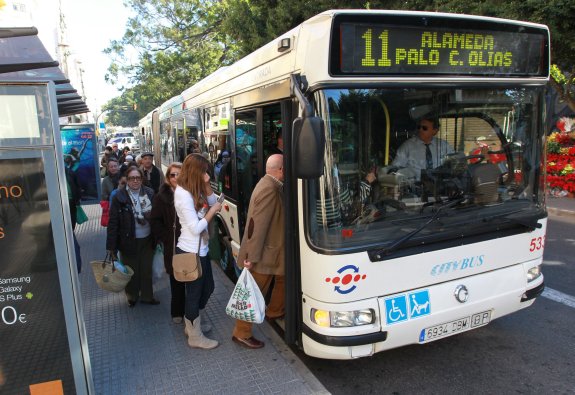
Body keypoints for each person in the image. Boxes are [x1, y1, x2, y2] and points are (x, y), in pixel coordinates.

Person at [232, 154, 285, 349]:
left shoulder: (270, 184)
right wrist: (250, 258)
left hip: (273, 251)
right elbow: (257, 226)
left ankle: (274, 311)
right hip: (264, 254)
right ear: (280, 169)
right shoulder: (269, 189)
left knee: (282, 280)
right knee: (253, 293)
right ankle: (241, 332)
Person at [174, 154, 222, 349]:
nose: (206, 174)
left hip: (201, 248)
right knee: (194, 293)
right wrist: (213, 212)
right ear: (195, 171)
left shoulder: (195, 187)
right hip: (189, 251)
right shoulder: (182, 194)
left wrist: (208, 184)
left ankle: (193, 322)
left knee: (208, 287)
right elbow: (195, 228)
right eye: (204, 171)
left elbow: (212, 200)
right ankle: (194, 335)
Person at [106, 166, 157, 307]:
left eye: (138, 178)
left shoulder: (150, 193)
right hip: (128, 240)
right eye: (131, 178)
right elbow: (113, 223)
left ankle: (147, 296)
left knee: (146, 270)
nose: (135, 181)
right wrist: (111, 247)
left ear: (142, 179)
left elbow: (156, 217)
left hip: (147, 239)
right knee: (131, 271)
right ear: (127, 180)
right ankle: (132, 296)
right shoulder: (119, 196)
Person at [150, 162, 185, 324]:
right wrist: (166, 237)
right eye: (173, 175)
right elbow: (155, 221)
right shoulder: (161, 197)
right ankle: (177, 311)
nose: (176, 178)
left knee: (191, 277)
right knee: (176, 279)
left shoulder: (189, 193)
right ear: (168, 177)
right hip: (172, 244)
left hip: (189, 243)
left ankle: (191, 312)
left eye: (179, 174)